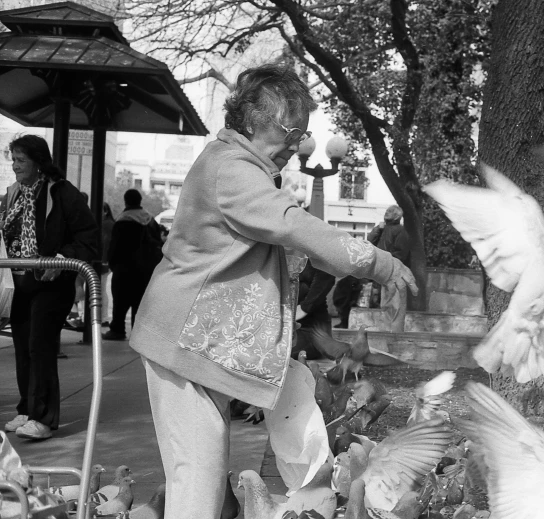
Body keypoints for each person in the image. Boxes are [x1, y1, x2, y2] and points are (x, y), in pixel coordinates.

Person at [128, 63, 417, 518]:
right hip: (181, 340)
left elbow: (300, 242)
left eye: (302, 132)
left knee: (205, 474)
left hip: (200, 343)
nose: (297, 143)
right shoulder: (231, 170)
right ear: (258, 120)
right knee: (197, 476)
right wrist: (379, 263)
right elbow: (293, 226)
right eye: (293, 130)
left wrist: (368, 268)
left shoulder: (245, 169)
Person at [1, 134, 98, 440]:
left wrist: (62, 259)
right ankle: (27, 408)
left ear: (39, 162)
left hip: (52, 283)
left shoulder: (63, 192)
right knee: (22, 347)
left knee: (39, 346)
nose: (15, 166)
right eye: (12, 159)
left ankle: (43, 418)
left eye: (21, 160)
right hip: (19, 283)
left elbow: (89, 237)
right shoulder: (13, 194)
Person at [102, 189, 163, 341]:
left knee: (120, 301)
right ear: (140, 201)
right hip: (145, 269)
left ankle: (117, 329)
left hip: (125, 268)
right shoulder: (150, 220)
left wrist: (112, 263)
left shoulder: (123, 220)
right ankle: (137, 332)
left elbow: (114, 245)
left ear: (126, 201)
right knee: (140, 301)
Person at [372, 205, 412, 332]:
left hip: (394, 275)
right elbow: (370, 242)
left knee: (395, 307)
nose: (386, 212)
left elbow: (400, 254)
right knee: (386, 306)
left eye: (390, 211)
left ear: (397, 216)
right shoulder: (383, 229)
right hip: (385, 274)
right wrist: (378, 229)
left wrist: (385, 262)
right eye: (386, 210)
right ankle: (388, 335)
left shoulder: (400, 231)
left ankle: (394, 337)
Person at [291, 259, 336, 360]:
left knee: (286, 352)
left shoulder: (318, 257)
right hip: (286, 324)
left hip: (311, 330)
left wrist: (304, 308)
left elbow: (325, 277)